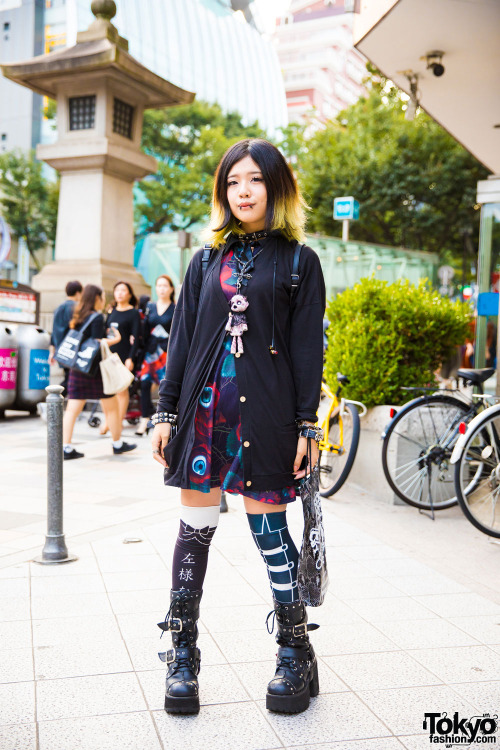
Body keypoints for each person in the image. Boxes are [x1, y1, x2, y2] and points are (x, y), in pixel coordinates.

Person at [150, 138, 325, 716]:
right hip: (203, 417)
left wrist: (307, 426)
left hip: (269, 417)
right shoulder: (203, 261)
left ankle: (294, 649)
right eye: (232, 182)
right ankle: (182, 652)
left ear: (276, 187)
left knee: (268, 531)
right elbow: (181, 343)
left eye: (254, 180)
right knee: (193, 530)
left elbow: (306, 351)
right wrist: (165, 412)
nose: (243, 191)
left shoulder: (300, 261)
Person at [62, 284, 137, 460]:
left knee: (72, 409)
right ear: (96, 298)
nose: (104, 299)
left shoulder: (79, 315)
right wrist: (115, 340)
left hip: (78, 368)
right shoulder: (96, 318)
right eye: (102, 296)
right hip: (95, 370)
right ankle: (117, 444)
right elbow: (96, 343)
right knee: (111, 408)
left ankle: (66, 446)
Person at [98, 281, 141, 435]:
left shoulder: (133, 313)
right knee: (106, 390)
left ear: (129, 294)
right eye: (117, 290)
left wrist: (131, 358)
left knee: (122, 391)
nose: (120, 293)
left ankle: (118, 421)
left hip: (124, 355)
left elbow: (136, 338)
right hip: (108, 356)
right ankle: (109, 421)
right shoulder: (111, 311)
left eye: (123, 290)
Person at [135, 275, 176, 436]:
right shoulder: (150, 307)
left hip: (167, 353)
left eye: (165, 286)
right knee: (144, 383)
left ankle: (163, 418)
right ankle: (145, 419)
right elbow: (144, 331)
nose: (162, 289)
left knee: (165, 386)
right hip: (151, 352)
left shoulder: (175, 308)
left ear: (171, 289)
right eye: (159, 286)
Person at [49, 280, 83, 395]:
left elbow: (53, 331)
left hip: (61, 349)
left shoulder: (58, 308)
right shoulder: (76, 308)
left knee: (69, 377)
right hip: (72, 350)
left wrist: (52, 351)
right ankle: (54, 397)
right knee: (71, 380)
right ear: (78, 293)